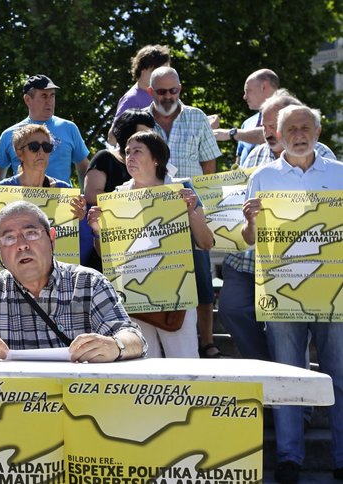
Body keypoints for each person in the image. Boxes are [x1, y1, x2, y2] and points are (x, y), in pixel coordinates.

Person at [241, 105, 343, 484]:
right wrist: (251, 221)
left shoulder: (340, 175)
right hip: (282, 292)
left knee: (340, 375)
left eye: (305, 127)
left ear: (317, 130)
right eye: (291, 129)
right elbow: (249, 241)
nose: (299, 134)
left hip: (333, 291)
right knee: (287, 376)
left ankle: (342, 456)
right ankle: (288, 458)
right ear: (278, 136)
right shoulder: (263, 177)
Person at [0, 200, 147, 362]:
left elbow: (133, 337)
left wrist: (115, 346)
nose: (22, 244)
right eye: (10, 238)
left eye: (31, 233)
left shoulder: (88, 282)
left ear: (52, 238)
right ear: (0, 251)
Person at [219, 93, 336, 362]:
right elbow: (244, 223)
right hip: (261, 269)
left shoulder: (331, 165)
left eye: (304, 128)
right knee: (235, 311)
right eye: (266, 126)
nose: (269, 132)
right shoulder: (258, 165)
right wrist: (249, 220)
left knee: (328, 359)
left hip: (319, 273)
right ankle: (271, 375)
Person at [88, 131, 214, 358]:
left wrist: (191, 212)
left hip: (176, 298)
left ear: (156, 158)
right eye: (127, 152)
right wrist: (97, 232)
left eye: (137, 151)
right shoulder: (117, 197)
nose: (130, 157)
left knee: (185, 366)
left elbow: (206, 243)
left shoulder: (181, 190)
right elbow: (105, 256)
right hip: (134, 298)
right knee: (143, 368)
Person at [144, 66, 221, 358]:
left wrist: (201, 208)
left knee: (202, 276)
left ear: (180, 89)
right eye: (161, 92)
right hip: (152, 209)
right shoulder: (140, 119)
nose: (167, 97)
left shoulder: (196, 117)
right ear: (150, 92)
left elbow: (208, 164)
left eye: (173, 91)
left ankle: (207, 341)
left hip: (188, 203)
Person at [81, 109, 155, 269]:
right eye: (142, 133)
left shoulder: (153, 164)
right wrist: (131, 201)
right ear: (127, 134)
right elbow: (92, 194)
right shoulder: (105, 158)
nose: (146, 139)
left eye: (150, 134)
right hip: (107, 239)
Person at [0, 74, 90, 187]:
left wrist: (85, 198)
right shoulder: (9, 135)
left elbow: (84, 168)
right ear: (27, 99)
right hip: (23, 201)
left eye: (52, 95)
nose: (50, 101)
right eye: (44, 96)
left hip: (61, 200)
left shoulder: (69, 128)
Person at [0, 124, 86, 220]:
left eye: (47, 147)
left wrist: (79, 217)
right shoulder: (3, 189)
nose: (41, 152)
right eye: (34, 147)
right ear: (19, 153)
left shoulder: (64, 189)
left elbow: (70, 232)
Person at [213, 69, 279, 165]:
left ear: (264, 87)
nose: (244, 97)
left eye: (248, 91)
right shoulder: (247, 123)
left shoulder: (290, 117)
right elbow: (239, 162)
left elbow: (272, 134)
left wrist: (230, 133)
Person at [108, 45, 170, 145]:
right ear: (143, 69)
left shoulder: (166, 95)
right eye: (157, 71)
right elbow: (112, 138)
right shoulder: (131, 99)